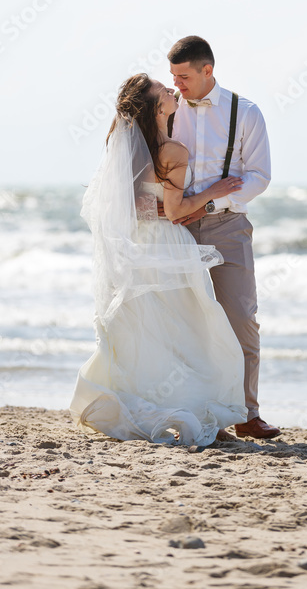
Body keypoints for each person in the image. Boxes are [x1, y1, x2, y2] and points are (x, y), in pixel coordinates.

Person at [69, 73, 247, 447]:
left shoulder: (135, 150)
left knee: (148, 328)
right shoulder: (174, 152)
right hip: (167, 246)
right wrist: (214, 191)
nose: (171, 91)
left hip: (137, 247)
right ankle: (189, 406)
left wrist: (160, 210)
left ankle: (146, 399)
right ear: (156, 107)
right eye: (163, 91)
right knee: (190, 328)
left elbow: (130, 204)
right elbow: (176, 208)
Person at [166, 35, 281, 439]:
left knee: (241, 319)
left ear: (207, 70)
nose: (177, 84)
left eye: (183, 77)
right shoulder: (167, 110)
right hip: (175, 230)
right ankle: (198, 414)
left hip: (228, 228)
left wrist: (209, 205)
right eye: (173, 77)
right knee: (187, 322)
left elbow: (259, 176)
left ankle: (247, 413)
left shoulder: (246, 112)